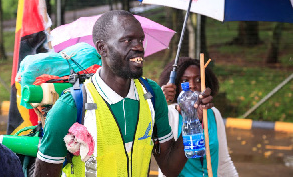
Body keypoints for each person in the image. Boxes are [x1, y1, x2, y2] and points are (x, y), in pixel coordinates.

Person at [34, 10, 214, 177]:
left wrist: (193, 120)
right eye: (128, 40)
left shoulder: (152, 95)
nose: (139, 48)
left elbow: (169, 168)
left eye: (140, 40)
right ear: (102, 48)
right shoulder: (71, 106)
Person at [158, 57, 238, 177]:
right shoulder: (168, 114)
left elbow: (224, 162)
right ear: (175, 85)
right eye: (185, 80)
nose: (192, 85)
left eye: (198, 80)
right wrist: (159, 100)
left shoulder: (214, 114)